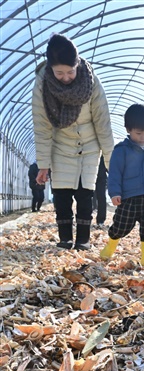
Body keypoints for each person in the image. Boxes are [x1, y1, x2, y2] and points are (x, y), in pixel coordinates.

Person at [32, 33, 114, 250]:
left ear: (77, 64)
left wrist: (110, 161)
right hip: (60, 144)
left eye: (70, 71)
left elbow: (103, 123)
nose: (66, 77)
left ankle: (83, 240)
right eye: (59, 73)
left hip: (89, 145)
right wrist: (43, 165)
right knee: (62, 195)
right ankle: (65, 238)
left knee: (86, 195)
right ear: (50, 69)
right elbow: (42, 126)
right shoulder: (42, 85)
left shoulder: (91, 82)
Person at [100, 104, 144, 267]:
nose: (143, 136)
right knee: (121, 227)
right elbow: (115, 173)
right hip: (129, 198)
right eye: (139, 133)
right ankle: (110, 247)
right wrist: (115, 192)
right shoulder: (122, 150)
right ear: (128, 130)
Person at [92, 155, 108, 227]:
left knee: (101, 197)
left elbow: (108, 165)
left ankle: (101, 220)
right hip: (91, 177)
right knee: (89, 197)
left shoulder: (104, 153)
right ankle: (89, 218)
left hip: (101, 178)